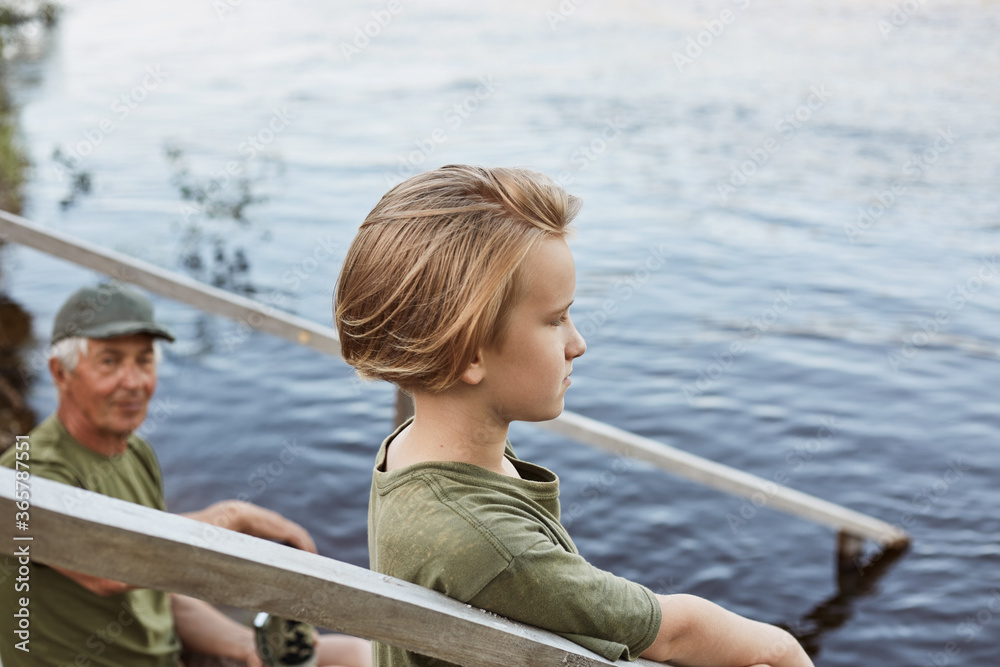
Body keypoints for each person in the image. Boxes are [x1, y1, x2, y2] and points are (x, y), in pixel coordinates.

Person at [334, 165, 815, 667]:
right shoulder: (489, 548)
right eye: (555, 319)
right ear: (470, 354)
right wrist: (783, 649)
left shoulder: (414, 446)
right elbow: (676, 634)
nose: (577, 344)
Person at [0, 284, 371, 667]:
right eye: (110, 362)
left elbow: (158, 588)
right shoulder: (28, 472)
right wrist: (228, 517)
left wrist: (248, 646)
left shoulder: (136, 452)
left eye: (144, 362)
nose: (133, 383)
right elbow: (106, 570)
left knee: (356, 655)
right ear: (60, 373)